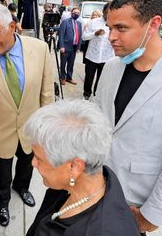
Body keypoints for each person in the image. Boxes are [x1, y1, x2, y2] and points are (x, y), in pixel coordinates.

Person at [96, 0, 162, 235]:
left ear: (152, 24)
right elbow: (97, 120)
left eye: (121, 28)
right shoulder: (111, 67)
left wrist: (148, 218)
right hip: (94, 192)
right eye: (109, 27)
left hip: (133, 207)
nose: (111, 37)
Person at [0, 3, 54, 227]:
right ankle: (3, 201)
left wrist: (46, 127)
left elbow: (47, 93)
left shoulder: (40, 49)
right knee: (2, 172)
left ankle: (22, 187)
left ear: (13, 27)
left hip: (31, 128)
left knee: (27, 164)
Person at [24, 100, 140, 236]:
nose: (33, 163)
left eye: (39, 158)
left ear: (74, 167)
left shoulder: (102, 230)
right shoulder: (66, 186)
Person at [82, 4, 114, 100]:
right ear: (103, 11)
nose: (108, 15)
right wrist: (94, 34)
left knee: (102, 79)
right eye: (107, 12)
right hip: (92, 56)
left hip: (107, 57)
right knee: (89, 78)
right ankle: (86, 95)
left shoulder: (115, 23)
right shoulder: (93, 22)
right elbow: (84, 36)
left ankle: (97, 96)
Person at [58, 7, 82, 85]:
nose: (76, 14)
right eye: (75, 12)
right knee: (63, 63)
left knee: (71, 64)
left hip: (74, 47)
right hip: (65, 46)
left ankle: (69, 77)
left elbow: (79, 36)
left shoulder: (79, 24)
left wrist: (78, 47)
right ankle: (62, 77)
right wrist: (61, 46)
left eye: (78, 13)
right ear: (71, 13)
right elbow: (61, 35)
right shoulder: (65, 22)